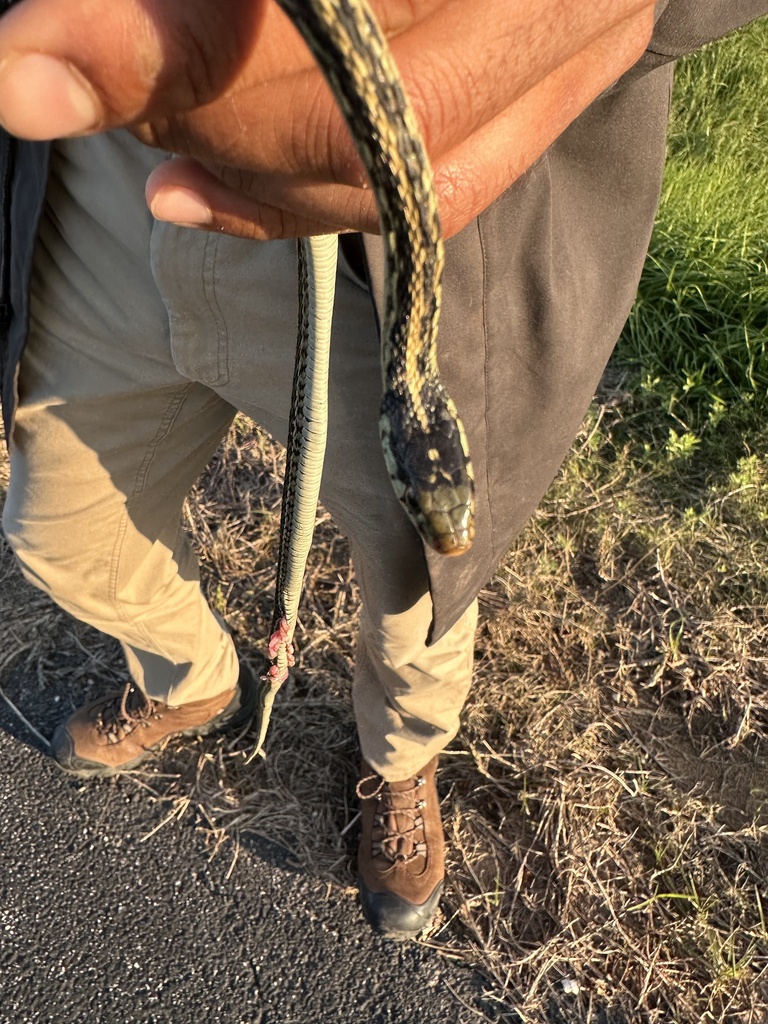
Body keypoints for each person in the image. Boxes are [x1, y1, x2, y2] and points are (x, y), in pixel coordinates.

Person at [0, 0, 764, 940]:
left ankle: (400, 763)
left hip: (378, 244)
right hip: (103, 163)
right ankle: (192, 684)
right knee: (57, 527)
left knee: (420, 584)